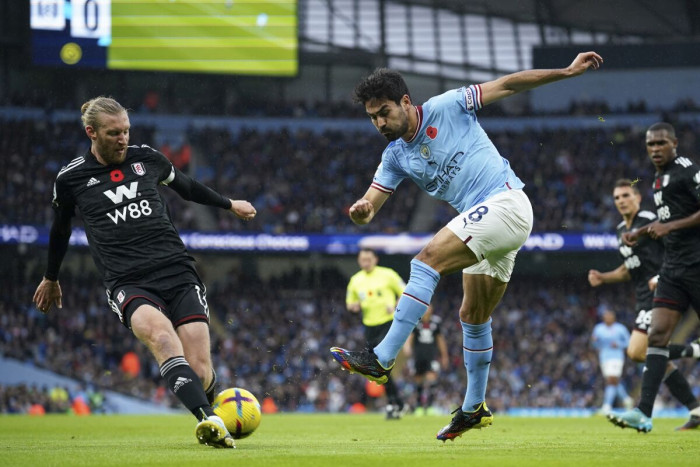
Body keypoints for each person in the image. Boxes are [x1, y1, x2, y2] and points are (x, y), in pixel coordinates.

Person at [329, 51, 604, 441]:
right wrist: (361, 212)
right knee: (473, 315)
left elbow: (507, 84)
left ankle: (382, 356)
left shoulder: (448, 104)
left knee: (426, 260)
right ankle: (474, 408)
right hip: (488, 224)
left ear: (406, 102)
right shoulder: (394, 156)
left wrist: (567, 71)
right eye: (373, 117)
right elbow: (370, 204)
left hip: (506, 202)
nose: (379, 123)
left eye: (385, 112)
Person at [32, 96, 257, 448]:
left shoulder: (148, 159)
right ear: (91, 132)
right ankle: (207, 420)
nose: (122, 139)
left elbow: (187, 187)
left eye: (126, 131)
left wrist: (229, 204)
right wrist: (51, 276)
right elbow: (60, 229)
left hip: (177, 271)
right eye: (113, 133)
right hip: (128, 281)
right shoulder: (71, 178)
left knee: (199, 370)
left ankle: (210, 406)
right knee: (163, 340)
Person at [608, 122, 700, 433]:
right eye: (651, 145)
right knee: (656, 339)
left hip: (697, 265)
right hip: (674, 269)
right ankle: (643, 413)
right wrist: (642, 233)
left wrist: (666, 228)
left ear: (674, 143)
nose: (655, 149)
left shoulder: (687, 170)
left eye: (661, 143)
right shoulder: (659, 181)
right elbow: (665, 223)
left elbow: (671, 224)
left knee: (646, 346)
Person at [588, 179, 700, 426]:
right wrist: (604, 277)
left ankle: (694, 351)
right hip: (643, 296)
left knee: (638, 351)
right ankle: (696, 410)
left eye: (626, 195)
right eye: (617, 198)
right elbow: (629, 268)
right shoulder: (621, 230)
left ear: (638, 198)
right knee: (656, 358)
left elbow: (676, 247)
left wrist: (663, 275)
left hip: (664, 291)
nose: (621, 201)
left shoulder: (650, 221)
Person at [346, 248, 407, 419]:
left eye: (368, 258)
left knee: (382, 361)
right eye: (362, 259)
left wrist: (396, 304)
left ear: (375, 259)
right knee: (380, 370)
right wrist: (353, 307)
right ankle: (397, 403)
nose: (366, 262)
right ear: (359, 261)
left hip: (388, 323)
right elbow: (350, 303)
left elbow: (405, 291)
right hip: (369, 327)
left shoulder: (388, 275)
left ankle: (394, 403)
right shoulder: (355, 280)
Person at [403, 304, 449, 415]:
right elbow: (411, 336)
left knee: (432, 378)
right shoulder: (416, 322)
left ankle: (429, 406)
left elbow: (440, 339)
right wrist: (407, 346)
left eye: (429, 307)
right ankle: (419, 406)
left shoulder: (436, 322)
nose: (427, 310)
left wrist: (444, 356)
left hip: (431, 355)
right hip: (418, 355)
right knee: (418, 379)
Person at [590, 310, 633, 414]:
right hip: (604, 357)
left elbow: (629, 342)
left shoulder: (620, 328)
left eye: (610, 316)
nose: (608, 318)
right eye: (606, 316)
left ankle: (607, 406)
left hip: (616, 357)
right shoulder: (598, 328)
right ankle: (627, 400)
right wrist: (594, 341)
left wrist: (618, 344)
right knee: (613, 381)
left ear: (614, 318)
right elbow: (594, 344)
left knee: (611, 379)